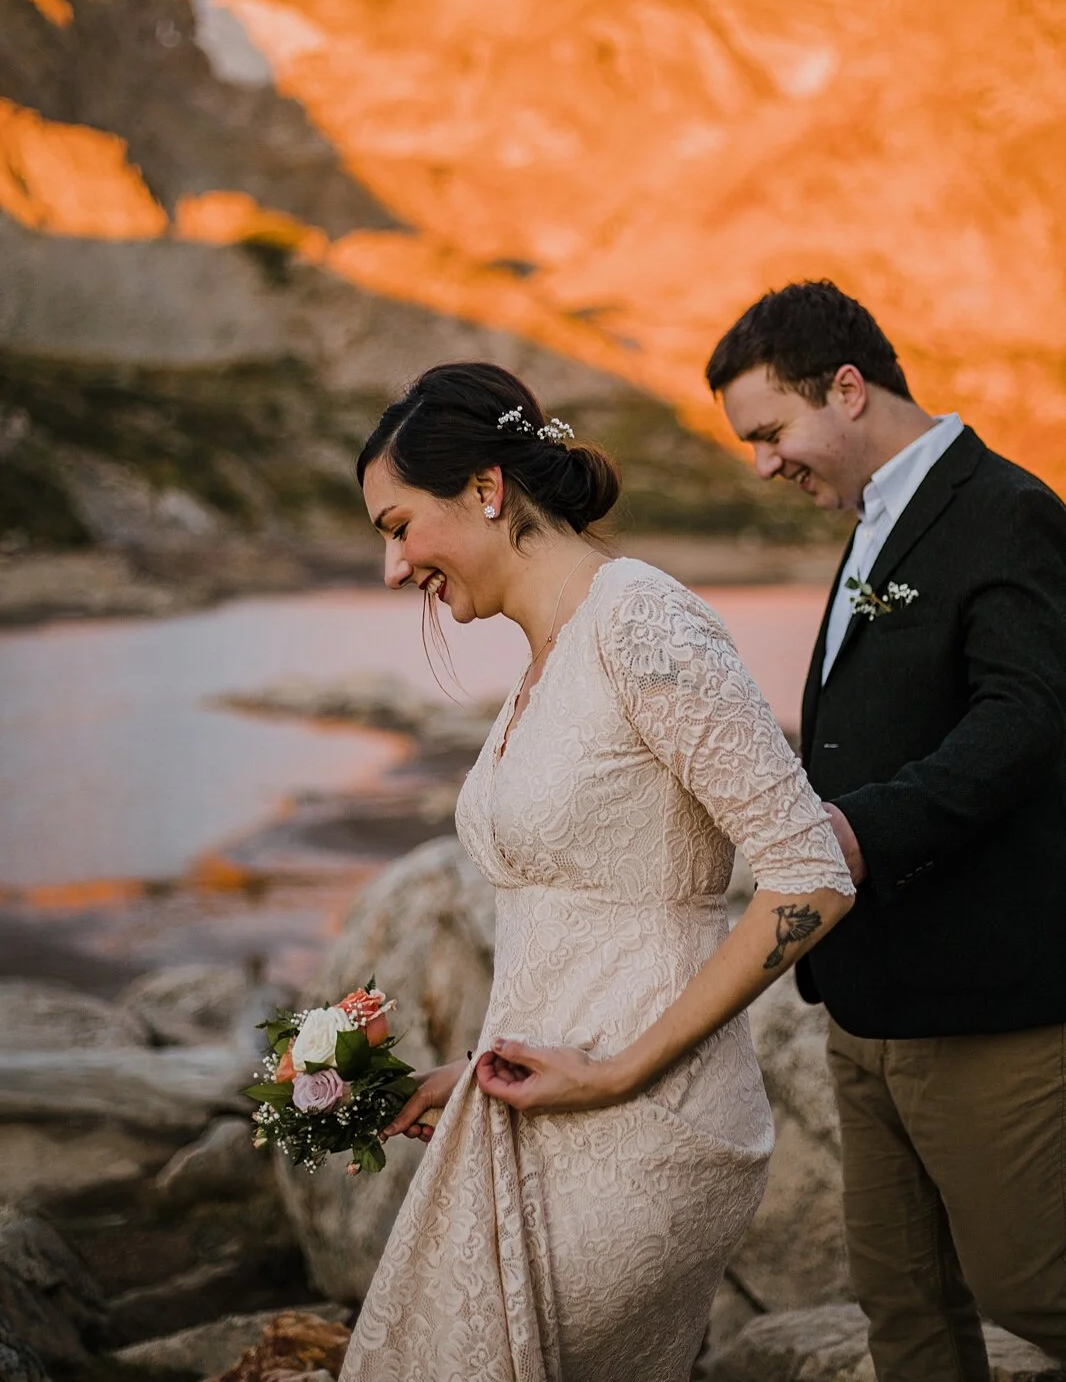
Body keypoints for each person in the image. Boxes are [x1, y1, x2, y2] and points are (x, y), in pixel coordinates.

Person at [340, 360, 853, 1382]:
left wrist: (618, 1067)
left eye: (399, 527)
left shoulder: (639, 620)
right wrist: (473, 1075)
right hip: (541, 1106)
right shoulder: (548, 658)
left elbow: (809, 874)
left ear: (487, 489)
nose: (395, 570)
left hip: (644, 1126)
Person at [707, 279, 1066, 1382]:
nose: (763, 464)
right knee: (902, 1306)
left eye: (770, 432)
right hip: (862, 1001)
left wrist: (858, 832)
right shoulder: (879, 519)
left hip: (982, 1001)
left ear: (848, 389)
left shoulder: (1005, 508)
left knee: (1032, 1288)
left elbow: (1029, 714)